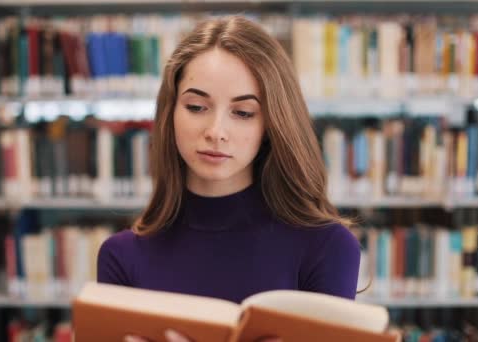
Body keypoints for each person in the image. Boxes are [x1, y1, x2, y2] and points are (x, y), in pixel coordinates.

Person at [97, 15, 361, 342]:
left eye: (243, 113)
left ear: (270, 124)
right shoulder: (121, 257)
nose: (216, 132)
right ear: (170, 113)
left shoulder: (327, 248)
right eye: (196, 106)